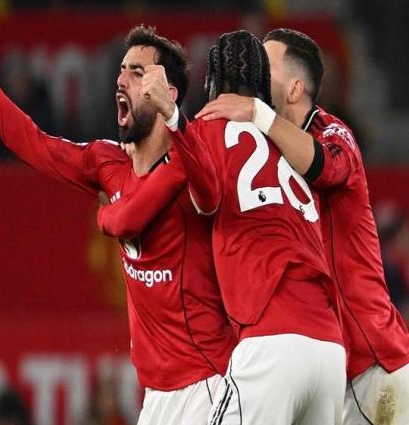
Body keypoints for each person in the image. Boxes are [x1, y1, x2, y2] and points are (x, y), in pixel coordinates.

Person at [0, 27, 237, 424]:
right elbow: (36, 143)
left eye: (137, 72)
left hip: (207, 382)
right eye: (122, 69)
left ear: (166, 92)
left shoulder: (193, 163)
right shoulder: (106, 162)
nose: (121, 79)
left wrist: (175, 124)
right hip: (156, 395)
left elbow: (204, 190)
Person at [120, 30, 346, 424]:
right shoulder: (289, 138)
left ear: (210, 83)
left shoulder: (203, 133)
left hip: (271, 342)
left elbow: (163, 200)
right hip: (329, 350)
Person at [195, 28, 409, 424]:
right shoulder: (261, 145)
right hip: (331, 363)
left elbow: (325, 167)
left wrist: (257, 112)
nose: (256, 72)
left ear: (295, 89)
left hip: (373, 363)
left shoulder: (333, 132)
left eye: (267, 65)